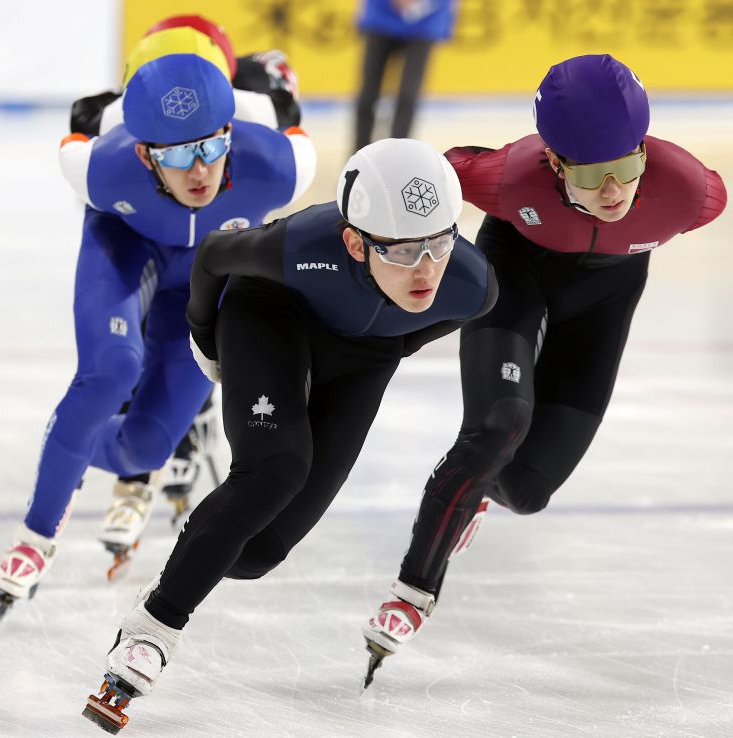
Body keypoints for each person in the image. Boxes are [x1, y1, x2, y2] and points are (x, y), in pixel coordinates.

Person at [81, 137, 498, 733]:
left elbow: (447, 314)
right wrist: (206, 339)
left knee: (253, 555)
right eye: (404, 252)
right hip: (269, 317)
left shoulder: (471, 283)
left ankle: (194, 555)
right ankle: (151, 629)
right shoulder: (301, 246)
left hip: (364, 355)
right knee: (277, 466)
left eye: (439, 243)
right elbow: (214, 258)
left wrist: (387, 350)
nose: (427, 267)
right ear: (355, 241)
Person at [360, 53, 728, 687]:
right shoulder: (506, 178)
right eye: (592, 175)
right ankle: (411, 594)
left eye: (626, 167)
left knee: (525, 491)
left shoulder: (692, 191)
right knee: (498, 425)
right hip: (517, 277)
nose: (614, 192)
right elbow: (423, 177)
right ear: (554, 163)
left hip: (603, 306)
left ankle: (473, 490)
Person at [0, 52, 316, 627]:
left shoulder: (282, 166)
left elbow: (292, 127)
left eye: (212, 147)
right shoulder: (98, 170)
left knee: (145, 449)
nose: (200, 171)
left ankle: (76, 434)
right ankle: (35, 538)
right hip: (125, 252)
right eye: (178, 155)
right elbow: (78, 136)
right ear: (144, 154)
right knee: (110, 371)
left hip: (203, 279)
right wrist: (92, 117)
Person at [69, 14, 306, 563]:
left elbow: (291, 148)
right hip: (157, 223)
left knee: (209, 319)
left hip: (222, 218)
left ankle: (181, 425)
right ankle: (137, 474)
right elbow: (93, 188)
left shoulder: (257, 94)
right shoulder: (101, 112)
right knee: (138, 329)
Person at [353, 0, 457, 151]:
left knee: (408, 95)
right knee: (368, 95)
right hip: (381, 15)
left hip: (425, 20)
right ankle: (359, 153)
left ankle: (399, 153)